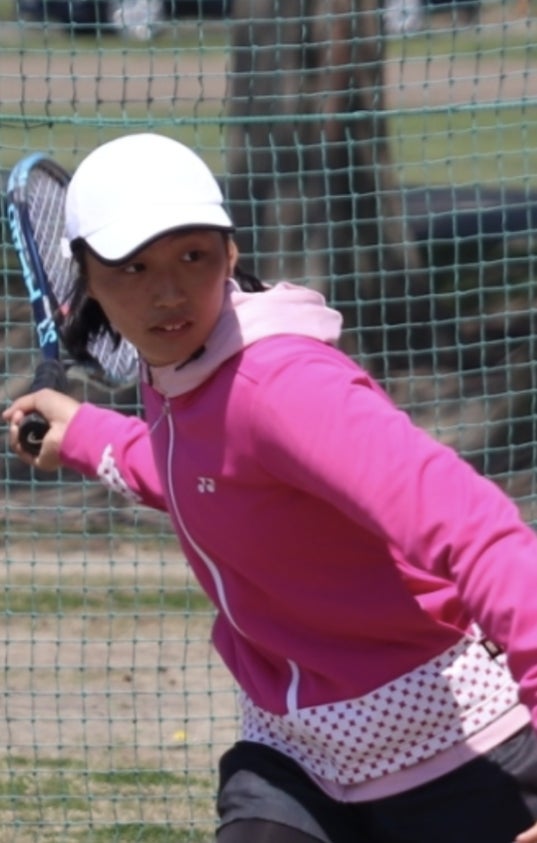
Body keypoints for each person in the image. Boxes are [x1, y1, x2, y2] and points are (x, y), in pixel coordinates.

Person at [5, 131, 537, 843]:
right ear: (85, 279)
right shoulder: (181, 364)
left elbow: (479, 532)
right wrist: (86, 434)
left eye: (193, 256)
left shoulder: (284, 386)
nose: (168, 292)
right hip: (297, 753)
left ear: (230, 255)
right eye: (132, 267)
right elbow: (212, 475)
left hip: (449, 751)